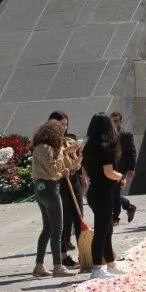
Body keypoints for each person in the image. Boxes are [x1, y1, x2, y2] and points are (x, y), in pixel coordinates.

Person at [82, 113, 126, 279]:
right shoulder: (105, 146)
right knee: (102, 230)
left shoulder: (88, 146)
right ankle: (97, 268)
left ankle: (110, 264)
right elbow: (109, 172)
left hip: (94, 191)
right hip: (103, 192)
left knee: (107, 228)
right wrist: (120, 176)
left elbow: (84, 169)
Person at [30, 120, 76, 278]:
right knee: (57, 228)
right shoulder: (47, 148)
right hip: (50, 189)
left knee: (47, 228)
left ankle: (39, 266)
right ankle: (58, 266)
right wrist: (62, 153)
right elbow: (52, 170)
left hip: (40, 188)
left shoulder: (38, 147)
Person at [49, 112, 82, 268]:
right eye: (61, 124)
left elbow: (77, 162)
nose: (64, 128)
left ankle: (84, 252)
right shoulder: (49, 143)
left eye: (66, 124)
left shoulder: (70, 140)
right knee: (64, 219)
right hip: (60, 181)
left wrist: (79, 154)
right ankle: (63, 256)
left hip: (73, 179)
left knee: (79, 215)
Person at [110, 112, 138, 225]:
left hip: (121, 169)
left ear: (121, 121)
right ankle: (129, 206)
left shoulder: (126, 135)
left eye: (116, 121)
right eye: (112, 121)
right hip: (109, 168)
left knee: (115, 193)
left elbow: (132, 153)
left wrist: (131, 169)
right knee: (112, 193)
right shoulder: (107, 135)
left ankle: (115, 218)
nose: (114, 123)